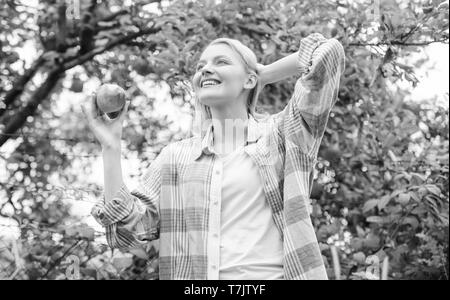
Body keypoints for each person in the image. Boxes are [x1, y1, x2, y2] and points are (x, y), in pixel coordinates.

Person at [83, 32, 345, 280]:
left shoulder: (283, 135)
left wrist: (262, 73)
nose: (205, 70)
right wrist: (110, 147)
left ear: (250, 80)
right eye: (200, 66)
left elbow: (327, 55)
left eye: (221, 62)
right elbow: (128, 233)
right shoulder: (176, 158)